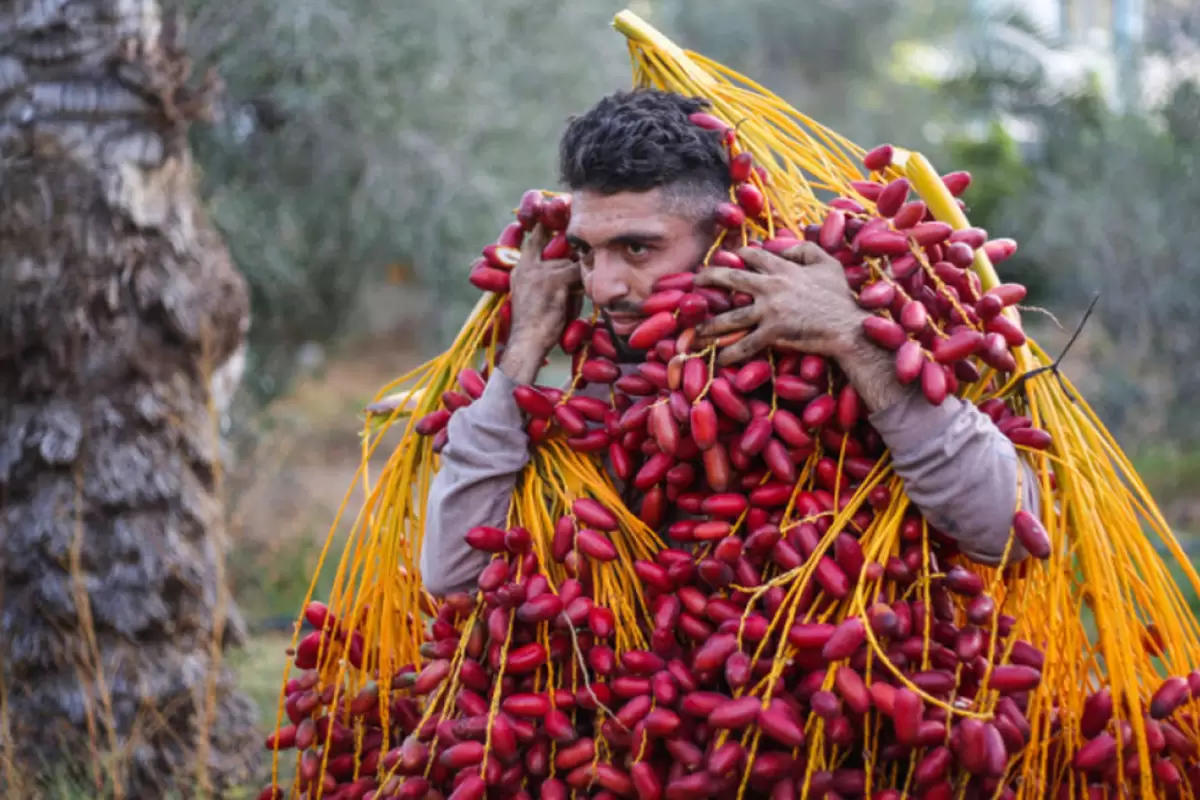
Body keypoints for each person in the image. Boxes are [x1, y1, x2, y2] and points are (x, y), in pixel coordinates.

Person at [420, 88, 1040, 597]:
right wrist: (522, 351)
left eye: (637, 248)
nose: (604, 287)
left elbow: (1008, 533)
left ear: (726, 237)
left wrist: (856, 340)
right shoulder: (593, 393)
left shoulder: (858, 337)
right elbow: (453, 579)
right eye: (585, 252)